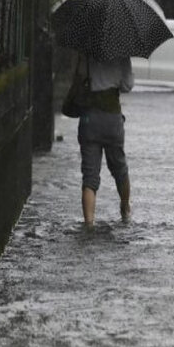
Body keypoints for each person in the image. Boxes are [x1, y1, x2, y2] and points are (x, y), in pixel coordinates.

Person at [72, 54, 134, 227]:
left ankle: (89, 224)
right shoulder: (122, 53)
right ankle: (125, 208)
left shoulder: (87, 52)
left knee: (90, 176)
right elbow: (128, 85)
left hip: (89, 119)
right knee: (120, 168)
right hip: (112, 119)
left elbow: (80, 76)